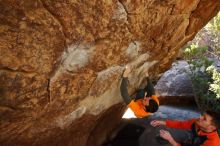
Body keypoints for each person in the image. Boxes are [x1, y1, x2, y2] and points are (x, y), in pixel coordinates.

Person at [151, 110, 220, 146]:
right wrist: (162, 122)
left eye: (204, 119)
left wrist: (171, 140)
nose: (200, 117)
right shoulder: (196, 122)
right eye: (202, 115)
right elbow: (181, 124)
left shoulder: (213, 143)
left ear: (212, 127)